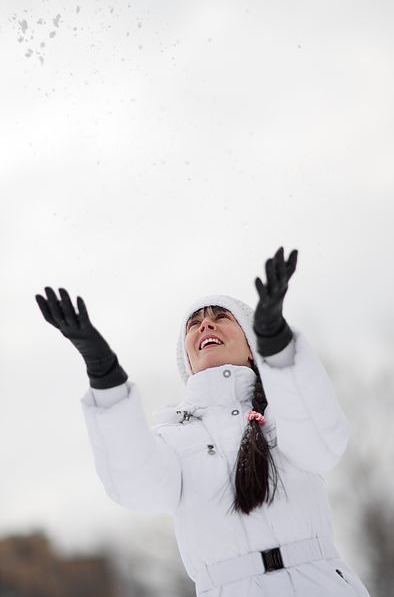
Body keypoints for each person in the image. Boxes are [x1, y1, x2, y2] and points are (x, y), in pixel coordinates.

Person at [35, 247, 371, 597]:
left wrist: (277, 342)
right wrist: (105, 375)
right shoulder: (172, 438)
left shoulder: (283, 412)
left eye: (221, 317)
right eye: (193, 324)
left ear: (250, 344)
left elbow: (322, 445)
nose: (205, 325)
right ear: (187, 361)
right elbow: (139, 488)